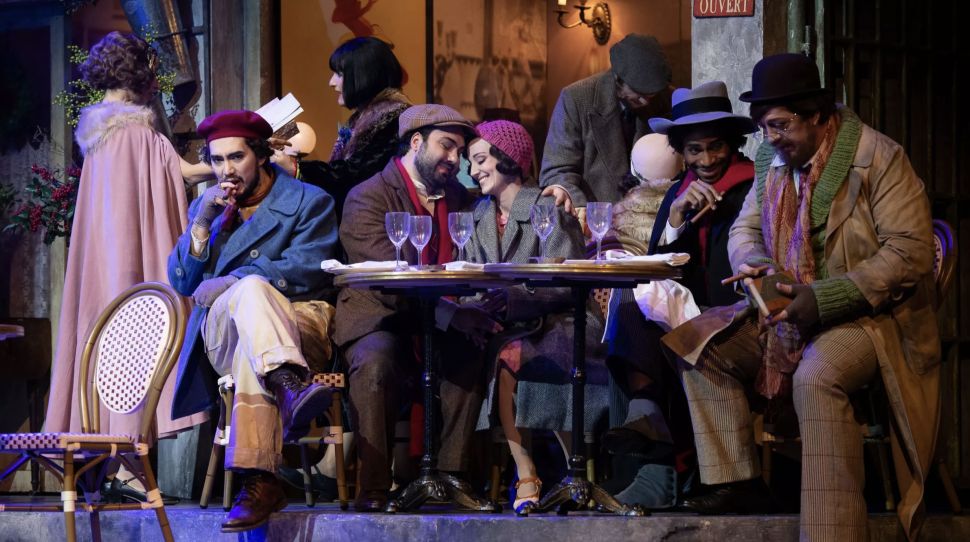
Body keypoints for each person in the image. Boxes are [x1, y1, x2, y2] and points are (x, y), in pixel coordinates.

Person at [662, 54, 939, 542]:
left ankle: (831, 533)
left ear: (816, 114)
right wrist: (756, 262)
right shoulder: (772, 164)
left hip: (870, 318)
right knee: (697, 345)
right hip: (788, 311)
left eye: (780, 125)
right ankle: (739, 483)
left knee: (817, 375)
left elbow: (911, 251)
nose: (770, 138)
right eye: (764, 127)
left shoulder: (878, 157)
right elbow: (746, 229)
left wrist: (826, 296)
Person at [45, 31, 212, 505]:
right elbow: (181, 173)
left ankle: (106, 465)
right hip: (131, 264)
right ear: (142, 76)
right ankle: (128, 468)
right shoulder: (138, 134)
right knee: (138, 342)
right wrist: (232, 164)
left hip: (102, 264)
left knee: (105, 341)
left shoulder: (99, 135)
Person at [167, 110, 338, 533]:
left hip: (299, 321)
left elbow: (310, 267)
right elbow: (182, 282)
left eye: (236, 157)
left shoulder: (310, 201)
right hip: (221, 332)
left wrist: (235, 279)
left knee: (252, 326)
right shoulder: (206, 207)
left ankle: (259, 481)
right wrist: (202, 225)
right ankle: (290, 386)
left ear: (260, 155)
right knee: (250, 296)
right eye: (217, 159)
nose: (226, 170)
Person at [334, 104, 498, 512]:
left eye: (459, 151)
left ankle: (452, 475)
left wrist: (550, 193)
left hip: (438, 319)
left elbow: (500, 206)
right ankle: (374, 486)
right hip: (380, 318)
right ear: (416, 142)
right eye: (446, 146)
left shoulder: (457, 196)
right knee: (376, 361)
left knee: (472, 347)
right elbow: (386, 280)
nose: (454, 159)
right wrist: (452, 315)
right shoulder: (368, 195)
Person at [601, 82, 758, 507]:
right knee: (629, 300)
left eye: (716, 147)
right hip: (690, 307)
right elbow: (659, 265)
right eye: (694, 150)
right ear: (681, 152)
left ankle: (658, 456)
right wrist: (673, 218)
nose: (706, 160)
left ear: (733, 143)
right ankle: (648, 424)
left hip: (735, 313)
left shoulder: (754, 186)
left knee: (665, 333)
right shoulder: (678, 191)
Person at [461, 120, 609, 513]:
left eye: (480, 160)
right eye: (471, 163)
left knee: (528, 355)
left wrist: (512, 298)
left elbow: (568, 281)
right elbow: (468, 276)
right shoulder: (476, 216)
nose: (473, 171)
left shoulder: (549, 208)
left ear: (508, 159)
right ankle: (528, 473)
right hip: (507, 326)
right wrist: (477, 306)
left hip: (564, 320)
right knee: (500, 354)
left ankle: (570, 472)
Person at [272, 36, 412, 225]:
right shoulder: (361, 117)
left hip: (377, 228)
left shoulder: (396, 119)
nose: (331, 82)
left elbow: (358, 174)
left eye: (339, 74)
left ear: (364, 75)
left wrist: (296, 168)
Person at [539, 33, 675, 213]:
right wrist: (575, 202)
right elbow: (557, 169)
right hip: (595, 219)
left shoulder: (669, 99)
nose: (645, 102)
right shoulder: (576, 99)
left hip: (652, 218)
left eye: (651, 95)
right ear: (617, 78)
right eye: (638, 94)